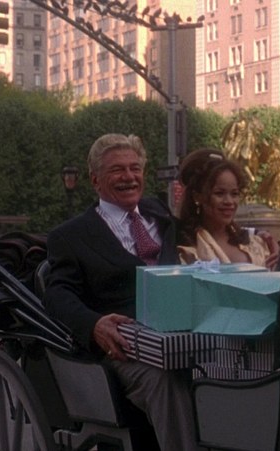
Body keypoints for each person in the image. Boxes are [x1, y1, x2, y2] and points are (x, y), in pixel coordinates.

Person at [44, 134, 199, 450]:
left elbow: (202, 236)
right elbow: (57, 294)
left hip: (180, 336)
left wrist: (249, 237)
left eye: (135, 168)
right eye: (117, 170)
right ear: (95, 180)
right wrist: (94, 325)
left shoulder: (160, 215)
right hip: (126, 350)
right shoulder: (71, 236)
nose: (129, 177)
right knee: (165, 377)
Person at [176, 149, 280, 270]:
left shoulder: (255, 242)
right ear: (197, 196)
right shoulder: (184, 247)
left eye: (234, 194)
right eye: (219, 193)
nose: (229, 201)